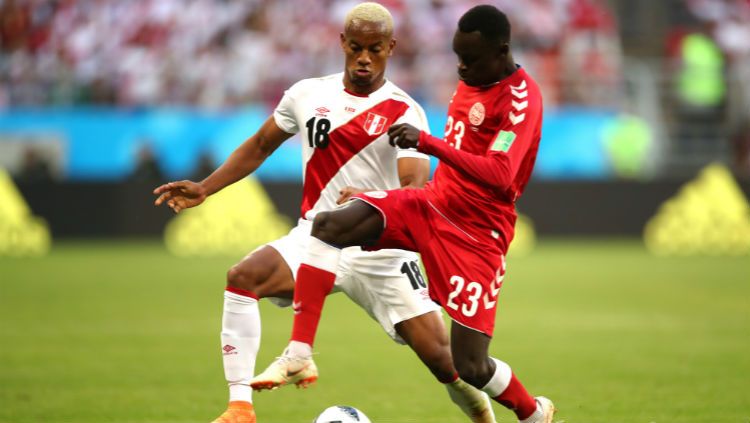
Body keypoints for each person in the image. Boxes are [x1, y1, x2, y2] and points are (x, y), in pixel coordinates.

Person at [153, 3, 496, 423]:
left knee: (447, 363)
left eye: (374, 49)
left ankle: (481, 411)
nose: (364, 58)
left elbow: (414, 188)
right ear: (341, 43)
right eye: (355, 47)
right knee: (242, 278)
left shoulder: (404, 111)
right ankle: (240, 406)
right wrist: (205, 187)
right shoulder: (307, 94)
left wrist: (371, 196)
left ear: (391, 47)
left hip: (380, 250)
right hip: (316, 240)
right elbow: (260, 145)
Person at [257, 5, 556, 423]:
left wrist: (428, 144)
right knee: (329, 224)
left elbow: (502, 176)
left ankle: (532, 414)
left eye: (470, 59)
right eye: (458, 57)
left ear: (501, 51)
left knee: (470, 365)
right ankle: (299, 353)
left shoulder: (521, 99)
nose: (462, 67)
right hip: (432, 204)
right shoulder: (473, 76)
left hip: (476, 233)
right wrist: (377, 195)